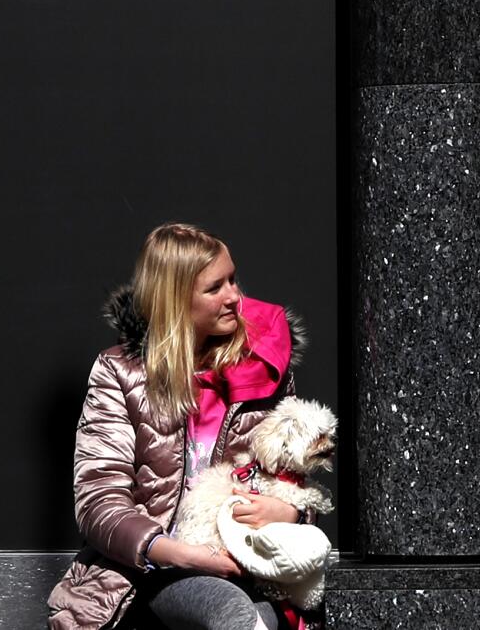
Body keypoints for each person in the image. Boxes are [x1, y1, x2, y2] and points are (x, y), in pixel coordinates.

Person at [47, 224, 314, 629]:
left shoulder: (265, 366)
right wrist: (177, 553)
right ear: (174, 299)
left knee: (257, 617)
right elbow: (98, 499)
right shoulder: (120, 374)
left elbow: (298, 479)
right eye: (215, 288)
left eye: (233, 279)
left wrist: (290, 513)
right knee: (236, 613)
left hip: (253, 562)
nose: (235, 297)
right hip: (151, 570)